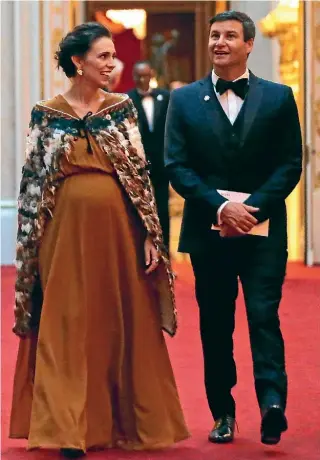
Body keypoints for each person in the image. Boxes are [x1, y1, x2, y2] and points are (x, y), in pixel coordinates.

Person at [9, 22, 189, 457]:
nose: (112, 64)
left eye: (112, 56)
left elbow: (140, 177)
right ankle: (67, 429)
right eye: (103, 56)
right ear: (78, 62)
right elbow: (32, 183)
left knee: (116, 321)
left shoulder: (121, 109)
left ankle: (121, 422)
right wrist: (30, 246)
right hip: (63, 236)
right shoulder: (45, 113)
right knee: (66, 323)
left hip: (118, 235)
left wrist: (150, 234)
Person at [165, 11, 302, 446]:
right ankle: (222, 412)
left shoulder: (280, 98)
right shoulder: (184, 100)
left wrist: (254, 209)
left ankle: (272, 405)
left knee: (264, 316)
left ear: (249, 45)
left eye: (229, 36)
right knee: (216, 324)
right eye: (214, 35)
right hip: (209, 233)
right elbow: (176, 166)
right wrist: (222, 207)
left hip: (264, 233)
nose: (219, 42)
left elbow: (290, 164)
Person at [127, 61, 171, 250]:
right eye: (139, 76)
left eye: (146, 75)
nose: (143, 79)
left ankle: (165, 249)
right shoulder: (127, 100)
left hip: (161, 161)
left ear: (151, 74)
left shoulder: (164, 96)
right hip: (138, 162)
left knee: (162, 206)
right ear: (134, 77)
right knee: (139, 207)